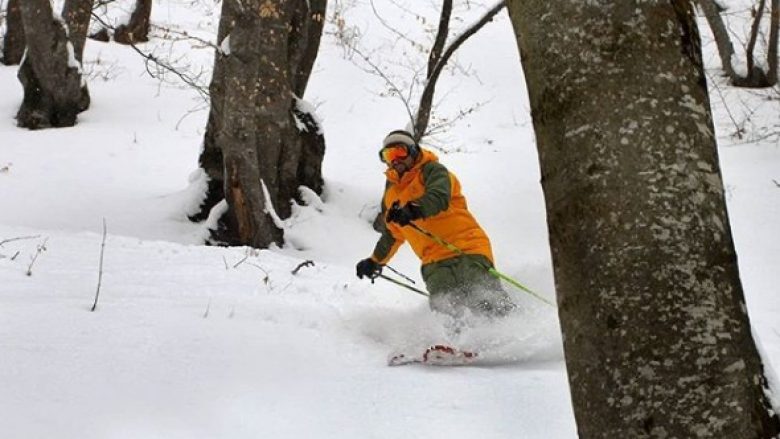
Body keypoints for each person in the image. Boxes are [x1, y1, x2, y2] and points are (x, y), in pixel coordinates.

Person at [356, 129, 515, 317]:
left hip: (466, 249)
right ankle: (458, 345)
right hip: (434, 262)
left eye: (400, 152)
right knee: (446, 311)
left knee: (486, 303)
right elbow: (393, 233)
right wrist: (374, 261)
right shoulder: (391, 194)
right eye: (388, 155)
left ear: (413, 151)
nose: (395, 159)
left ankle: (512, 333)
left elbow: (439, 197)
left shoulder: (432, 171)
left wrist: (412, 209)